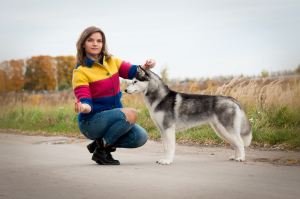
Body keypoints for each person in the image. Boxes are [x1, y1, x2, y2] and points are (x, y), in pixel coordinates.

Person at [72, 26, 155, 165]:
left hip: (113, 118)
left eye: (99, 40)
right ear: (83, 44)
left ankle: (101, 143)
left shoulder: (112, 61)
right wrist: (82, 107)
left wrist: (148, 65)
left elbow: (134, 71)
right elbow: (86, 101)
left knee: (140, 137)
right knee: (131, 114)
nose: (95, 44)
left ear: (103, 44)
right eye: (90, 40)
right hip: (91, 122)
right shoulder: (80, 71)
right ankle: (102, 151)